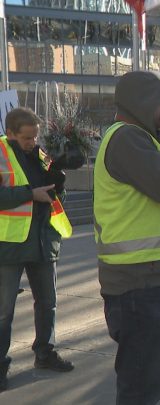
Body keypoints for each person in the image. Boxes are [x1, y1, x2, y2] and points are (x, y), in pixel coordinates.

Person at [94, 71, 160, 404]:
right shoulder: (127, 138)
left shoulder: (141, 140)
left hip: (150, 282)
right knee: (141, 389)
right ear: (144, 102)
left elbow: (157, 200)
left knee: (147, 382)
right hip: (139, 286)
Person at [0, 107, 74, 392]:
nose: (33, 142)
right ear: (10, 133)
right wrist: (30, 194)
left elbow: (54, 195)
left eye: (35, 137)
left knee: (48, 302)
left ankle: (45, 352)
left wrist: (59, 183)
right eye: (27, 138)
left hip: (43, 242)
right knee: (4, 312)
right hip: (9, 245)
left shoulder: (41, 155)